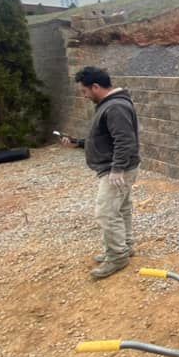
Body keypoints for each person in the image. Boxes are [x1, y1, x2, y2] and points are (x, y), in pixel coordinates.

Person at [60, 66, 141, 279]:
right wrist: (78, 143)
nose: (85, 96)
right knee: (121, 208)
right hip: (118, 167)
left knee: (106, 212)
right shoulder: (110, 105)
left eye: (85, 91)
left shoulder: (115, 107)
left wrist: (117, 169)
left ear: (95, 87)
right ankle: (126, 246)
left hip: (117, 170)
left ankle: (117, 256)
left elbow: (125, 140)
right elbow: (104, 138)